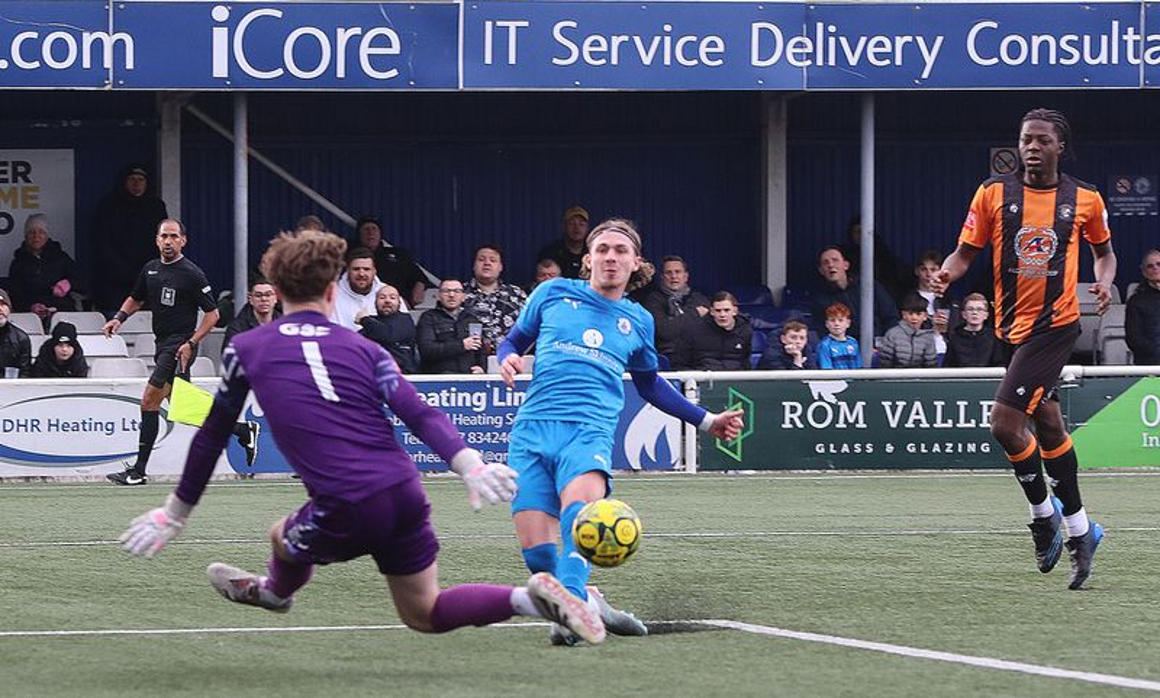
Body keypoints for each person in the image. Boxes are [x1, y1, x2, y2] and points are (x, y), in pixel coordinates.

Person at [115, 228, 605, 645]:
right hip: (405, 493)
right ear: (333, 292)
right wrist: (470, 465)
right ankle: (529, 597)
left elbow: (211, 434)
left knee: (281, 537)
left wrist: (174, 512)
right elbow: (418, 410)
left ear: (276, 292)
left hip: (346, 501)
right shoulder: (364, 349)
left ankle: (275, 593)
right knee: (424, 612)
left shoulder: (247, 347)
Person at [497, 218, 744, 645]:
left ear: (635, 264)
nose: (611, 257)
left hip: (589, 431)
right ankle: (592, 602)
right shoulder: (552, 293)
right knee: (539, 559)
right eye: (604, 249)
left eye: (621, 251)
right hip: (533, 432)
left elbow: (649, 384)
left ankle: (571, 612)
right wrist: (508, 357)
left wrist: (706, 420)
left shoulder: (638, 320)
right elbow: (513, 341)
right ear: (589, 258)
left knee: (580, 512)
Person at [932, 108, 1116, 590]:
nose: (1031, 147)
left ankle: (1042, 519)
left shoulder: (1086, 199)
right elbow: (965, 251)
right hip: (1011, 328)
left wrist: (1103, 281)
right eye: (1024, 140)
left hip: (1055, 326)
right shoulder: (993, 194)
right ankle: (1082, 530)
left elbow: (1104, 252)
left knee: (1004, 423)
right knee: (1050, 424)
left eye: (1040, 140)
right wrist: (949, 273)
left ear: (1060, 147)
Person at [102, 219, 221, 486]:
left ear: (183, 240)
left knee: (148, 401)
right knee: (184, 407)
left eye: (173, 236)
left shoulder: (192, 273)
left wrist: (192, 342)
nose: (168, 241)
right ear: (157, 240)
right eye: (164, 236)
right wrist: (119, 318)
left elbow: (213, 315)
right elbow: (137, 297)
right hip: (162, 343)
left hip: (179, 346)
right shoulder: (151, 269)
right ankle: (242, 430)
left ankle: (138, 471)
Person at [92, 164, 169, 314]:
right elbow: (102, 242)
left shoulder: (156, 207)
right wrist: (121, 270)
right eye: (132, 179)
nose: (136, 184)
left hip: (147, 279)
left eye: (141, 180)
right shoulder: (108, 206)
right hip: (113, 280)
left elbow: (162, 241)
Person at [810, 245, 898, 338]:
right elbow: (822, 330)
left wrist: (886, 343)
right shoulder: (819, 299)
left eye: (835, 260)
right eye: (825, 262)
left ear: (846, 265)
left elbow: (891, 316)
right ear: (821, 271)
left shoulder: (868, 286)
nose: (831, 265)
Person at [7, 213, 80, 324]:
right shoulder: (18, 263)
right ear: (25, 236)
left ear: (47, 235)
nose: (36, 236)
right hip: (31, 317)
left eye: (41, 232)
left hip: (62, 312)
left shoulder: (60, 257)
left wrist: (69, 284)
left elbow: (83, 282)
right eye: (31, 232)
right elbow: (15, 295)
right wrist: (31, 307)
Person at [639, 256, 710, 365]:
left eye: (678, 272)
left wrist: (674, 321)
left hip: (697, 357)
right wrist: (695, 314)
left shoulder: (699, 299)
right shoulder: (653, 300)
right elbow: (663, 331)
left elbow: (705, 331)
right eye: (669, 272)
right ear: (662, 277)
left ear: (686, 276)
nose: (674, 276)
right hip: (668, 357)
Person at [463, 243, 526, 351]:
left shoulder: (516, 294)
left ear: (501, 267)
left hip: (509, 359)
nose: (487, 263)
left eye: (493, 260)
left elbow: (532, 326)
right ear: (473, 265)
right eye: (481, 259)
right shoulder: (460, 293)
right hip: (471, 360)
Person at [354, 216, 426, 308]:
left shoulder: (398, 254)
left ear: (380, 234)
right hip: (360, 303)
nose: (370, 232)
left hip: (395, 305)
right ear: (359, 234)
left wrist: (415, 295)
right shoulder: (351, 256)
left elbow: (419, 276)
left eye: (374, 229)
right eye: (366, 229)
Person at [417, 279, 486, 374]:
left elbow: (481, 349)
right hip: (438, 378)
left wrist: (482, 368)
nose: (451, 295)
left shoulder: (472, 319)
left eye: (457, 291)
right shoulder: (428, 318)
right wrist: (462, 345)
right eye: (446, 291)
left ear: (463, 297)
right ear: (438, 296)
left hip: (468, 377)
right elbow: (427, 350)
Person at [671, 291, 752, 371]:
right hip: (702, 379)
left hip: (735, 380)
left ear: (735, 311)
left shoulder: (745, 330)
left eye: (726, 310)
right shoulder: (692, 330)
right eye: (718, 310)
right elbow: (679, 365)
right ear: (712, 312)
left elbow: (745, 362)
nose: (722, 315)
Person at [359, 284, 419, 374]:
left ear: (399, 303)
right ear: (375, 303)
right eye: (382, 297)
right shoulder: (371, 323)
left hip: (402, 376)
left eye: (392, 297)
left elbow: (389, 335)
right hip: (372, 375)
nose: (387, 301)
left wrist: (364, 320)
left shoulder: (405, 319)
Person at [877, 293, 938, 369]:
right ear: (904, 315)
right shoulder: (892, 334)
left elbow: (931, 365)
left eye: (918, 314)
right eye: (910, 314)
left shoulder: (928, 337)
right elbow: (884, 364)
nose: (914, 318)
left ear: (925, 316)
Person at [329, 248, 384, 331]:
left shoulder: (389, 294)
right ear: (347, 270)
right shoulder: (331, 295)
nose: (361, 274)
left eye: (366, 269)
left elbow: (403, 329)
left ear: (374, 271)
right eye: (356, 269)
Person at [943, 293, 1001, 368]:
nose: (975, 313)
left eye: (979, 309)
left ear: (986, 315)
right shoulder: (955, 337)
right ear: (964, 314)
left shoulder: (994, 337)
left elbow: (999, 364)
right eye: (970, 309)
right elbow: (948, 365)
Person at [224, 278, 282, 348]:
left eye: (268, 295)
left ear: (275, 298)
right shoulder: (237, 327)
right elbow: (230, 354)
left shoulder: (285, 324)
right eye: (258, 295)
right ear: (250, 299)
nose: (264, 299)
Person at [1125, 249, 1160, 365]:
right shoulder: (1136, 301)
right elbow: (1133, 338)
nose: (1155, 268)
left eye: (1159, 264)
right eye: (1150, 266)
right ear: (1144, 272)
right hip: (1150, 365)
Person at [536, 206, 590, 279]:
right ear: (564, 226)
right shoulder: (550, 252)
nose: (576, 228)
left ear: (587, 228)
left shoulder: (592, 252)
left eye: (581, 224)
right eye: (571, 223)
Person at [815, 302, 862, 369]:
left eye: (841, 320)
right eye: (832, 320)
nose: (836, 324)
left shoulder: (853, 342)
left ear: (848, 323)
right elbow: (827, 371)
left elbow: (859, 367)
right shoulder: (824, 345)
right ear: (827, 324)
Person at [0, 289, 32, 377]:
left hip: (11, 388)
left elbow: (25, 372)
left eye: (3, 304)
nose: (0, 309)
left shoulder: (21, 338)